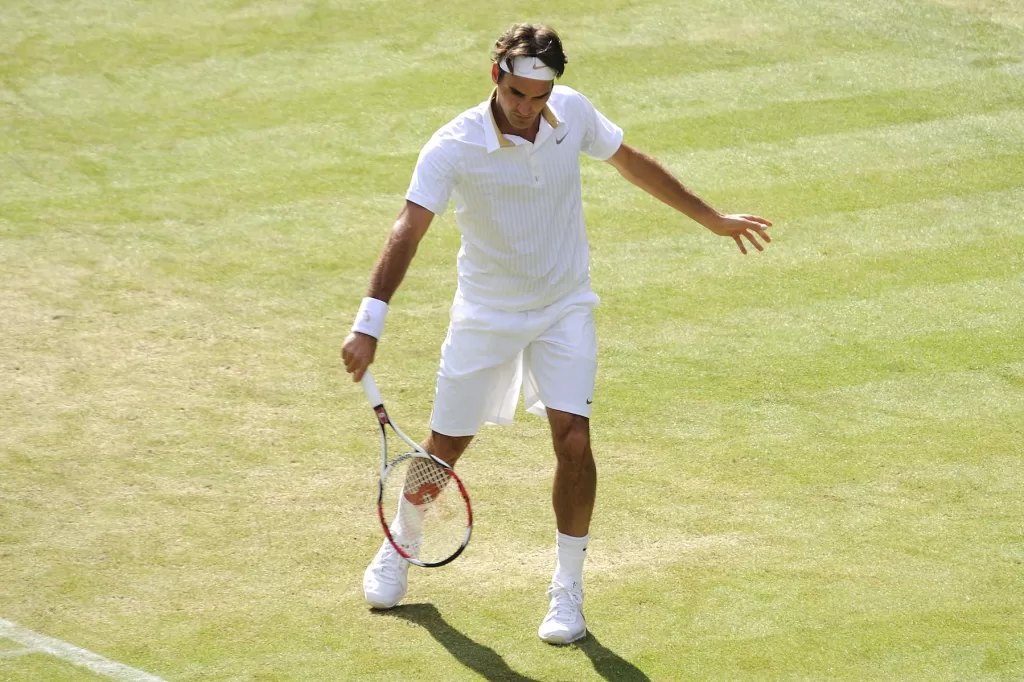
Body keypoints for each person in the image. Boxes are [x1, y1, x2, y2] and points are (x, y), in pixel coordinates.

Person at [341, 22, 772, 644]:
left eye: (538, 99)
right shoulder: (452, 144)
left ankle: (567, 590)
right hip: (486, 315)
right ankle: (403, 541)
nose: (527, 110)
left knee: (573, 443)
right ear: (497, 78)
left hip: (564, 307)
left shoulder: (570, 113)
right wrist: (369, 322)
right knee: (445, 448)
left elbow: (630, 163)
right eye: (517, 95)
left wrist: (711, 219)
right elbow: (407, 229)